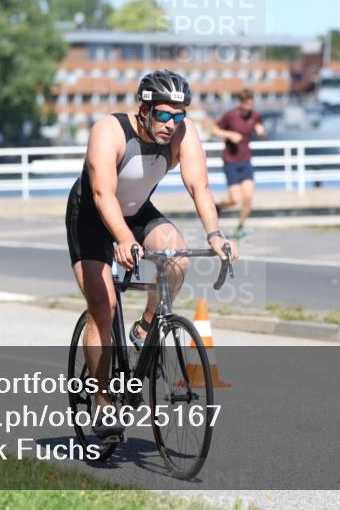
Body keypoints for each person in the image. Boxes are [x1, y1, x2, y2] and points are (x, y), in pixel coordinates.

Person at [65, 69, 237, 439]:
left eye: (179, 116)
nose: (172, 124)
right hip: (92, 216)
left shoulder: (182, 134)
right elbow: (102, 195)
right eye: (164, 114)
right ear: (144, 109)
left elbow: (199, 185)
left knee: (177, 257)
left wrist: (215, 233)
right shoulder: (109, 131)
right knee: (104, 305)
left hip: (137, 209)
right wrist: (123, 239)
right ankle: (100, 399)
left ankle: (145, 328)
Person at [210, 88, 265, 239]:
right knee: (235, 199)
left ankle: (240, 227)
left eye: (251, 104)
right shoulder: (230, 116)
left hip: (246, 160)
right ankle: (218, 207)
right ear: (240, 103)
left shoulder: (255, 116)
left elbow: (260, 129)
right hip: (231, 161)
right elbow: (213, 130)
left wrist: (261, 131)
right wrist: (229, 134)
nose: (249, 107)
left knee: (248, 197)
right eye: (246, 104)